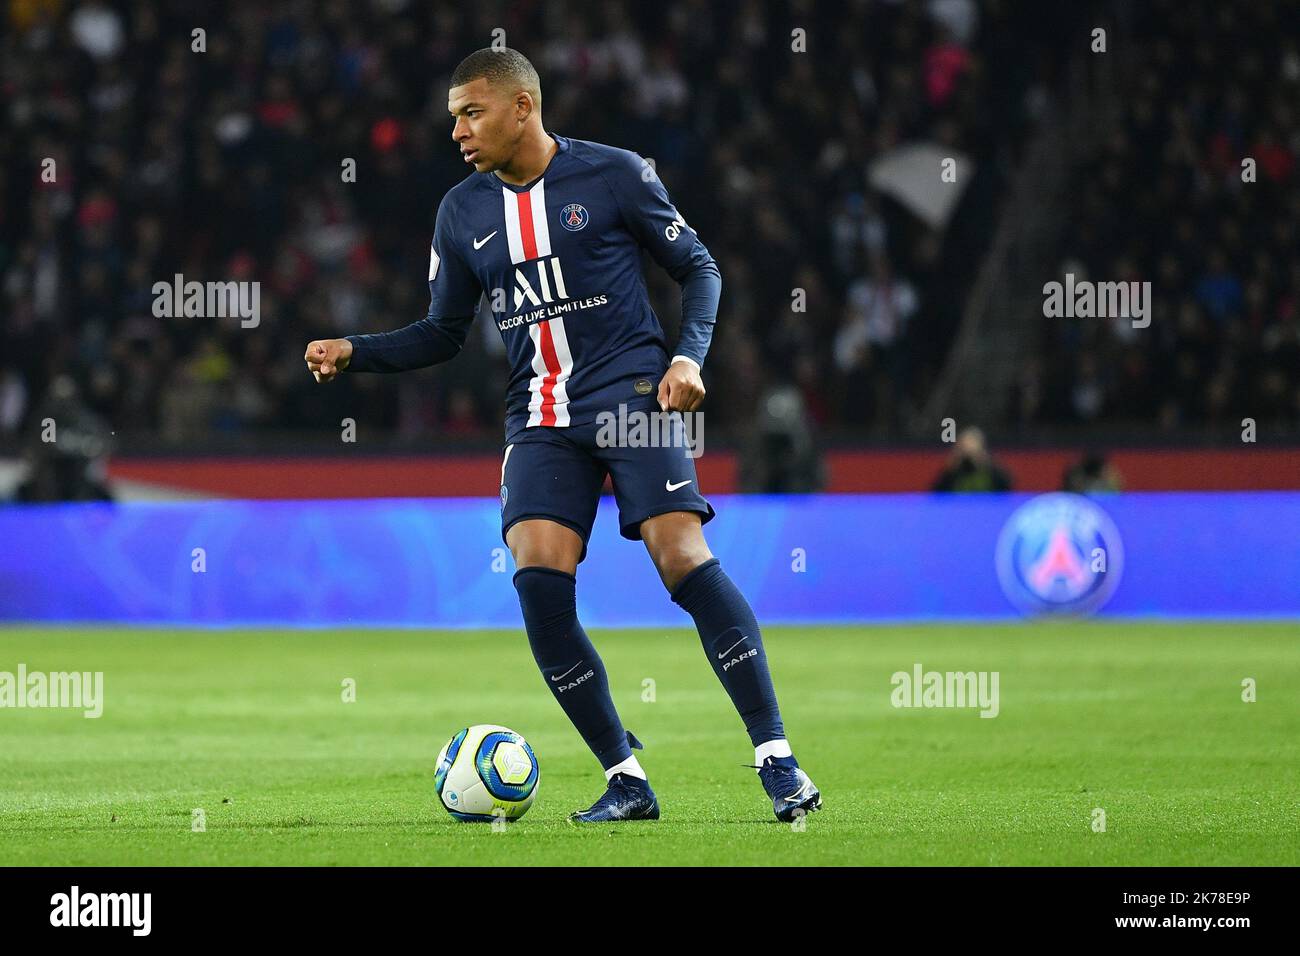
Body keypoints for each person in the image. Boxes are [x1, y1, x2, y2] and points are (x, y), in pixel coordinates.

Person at [303, 48, 819, 824]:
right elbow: (444, 333)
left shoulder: (614, 174)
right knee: (539, 584)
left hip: (629, 396)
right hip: (538, 415)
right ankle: (627, 778)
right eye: (452, 116)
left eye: (471, 113)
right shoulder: (461, 212)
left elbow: (699, 268)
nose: (457, 131)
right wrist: (357, 351)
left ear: (523, 108)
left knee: (680, 558)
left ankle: (777, 758)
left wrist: (689, 355)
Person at [931, 425, 1013, 492]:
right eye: (964, 446)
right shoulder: (953, 471)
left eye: (971, 445)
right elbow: (937, 494)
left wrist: (987, 464)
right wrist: (950, 470)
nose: (968, 451)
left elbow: (1007, 489)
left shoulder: (991, 470)